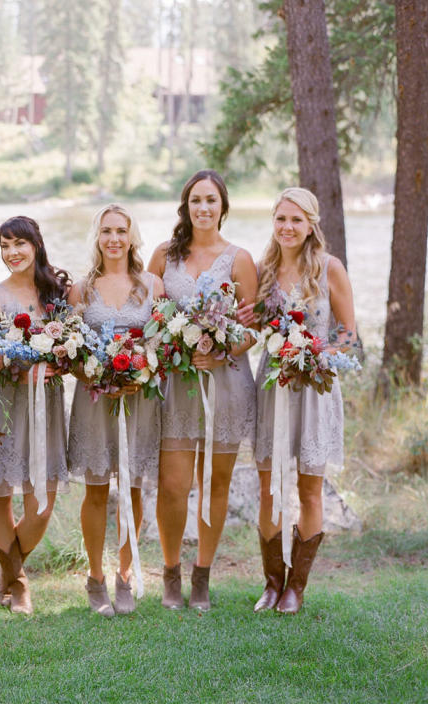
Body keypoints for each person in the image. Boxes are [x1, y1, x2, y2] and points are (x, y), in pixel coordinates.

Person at [147, 170, 258, 611]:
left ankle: (202, 576)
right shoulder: (162, 256)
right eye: (196, 200)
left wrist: (222, 347)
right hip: (176, 384)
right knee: (172, 485)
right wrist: (175, 343)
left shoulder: (240, 259)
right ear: (185, 206)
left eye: (211, 200)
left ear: (223, 207)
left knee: (216, 481)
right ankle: (171, 571)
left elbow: (252, 330)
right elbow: (148, 319)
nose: (204, 208)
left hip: (225, 381)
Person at [252, 187, 357, 614]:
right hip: (273, 386)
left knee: (309, 490)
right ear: (273, 223)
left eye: (296, 220)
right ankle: (272, 583)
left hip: (314, 386)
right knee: (268, 490)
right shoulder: (263, 270)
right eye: (281, 219)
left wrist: (317, 354)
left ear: (311, 224)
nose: (287, 228)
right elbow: (254, 324)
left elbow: (349, 335)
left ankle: (297, 586)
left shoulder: (330, 269)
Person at [67, 204, 165, 617]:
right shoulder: (81, 289)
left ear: (132, 236)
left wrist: (141, 370)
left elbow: (161, 342)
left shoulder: (152, 285)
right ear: (97, 237)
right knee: (94, 488)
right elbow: (70, 349)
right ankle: (95, 578)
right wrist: (94, 374)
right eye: (106, 231)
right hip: (95, 399)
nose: (113, 239)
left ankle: (125, 574)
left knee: (133, 486)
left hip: (139, 398)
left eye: (121, 231)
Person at [0, 215, 72, 616]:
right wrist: (13, 359)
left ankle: (7, 572)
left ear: (36, 245)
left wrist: (62, 358)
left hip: (46, 405)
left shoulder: (58, 293)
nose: (12, 252)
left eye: (19, 243)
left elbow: (74, 349)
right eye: (4, 245)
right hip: (5, 402)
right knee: (0, 495)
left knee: (41, 504)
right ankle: (18, 585)